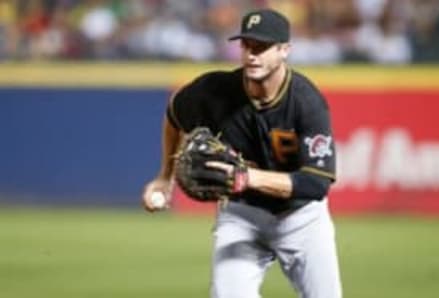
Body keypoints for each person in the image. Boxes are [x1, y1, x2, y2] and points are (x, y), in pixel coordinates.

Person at [142, 8, 342, 298]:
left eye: (261, 47)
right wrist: (164, 176)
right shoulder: (215, 90)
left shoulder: (306, 102)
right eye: (246, 45)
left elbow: (317, 183)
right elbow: (174, 114)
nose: (251, 54)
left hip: (301, 218)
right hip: (242, 215)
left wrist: (247, 178)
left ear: (284, 50)